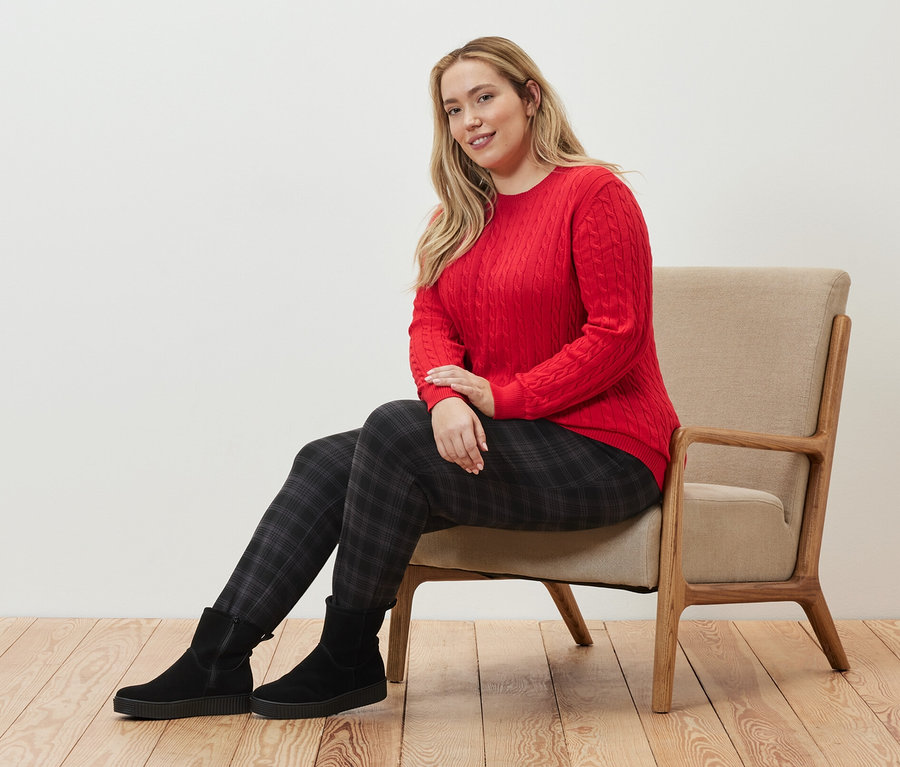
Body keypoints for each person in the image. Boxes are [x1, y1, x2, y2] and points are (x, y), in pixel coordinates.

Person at [113, 36, 679, 721]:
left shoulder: (594, 194)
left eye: (484, 97)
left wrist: (502, 395)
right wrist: (444, 398)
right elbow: (430, 327)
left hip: (606, 451)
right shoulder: (456, 218)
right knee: (327, 459)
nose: (469, 120)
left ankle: (348, 651)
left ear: (530, 98)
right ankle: (218, 656)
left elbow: (615, 336)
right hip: (515, 442)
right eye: (452, 109)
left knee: (389, 428)